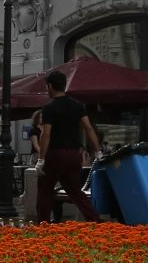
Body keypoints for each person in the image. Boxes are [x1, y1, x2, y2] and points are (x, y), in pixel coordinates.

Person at [35, 71, 102, 223]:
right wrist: (98, 151)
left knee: (45, 191)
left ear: (50, 86)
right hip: (73, 155)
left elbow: (46, 134)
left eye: (47, 87)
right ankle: (95, 221)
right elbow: (88, 128)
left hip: (55, 154)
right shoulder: (77, 105)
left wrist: (41, 159)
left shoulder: (49, 108)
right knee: (76, 192)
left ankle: (43, 224)